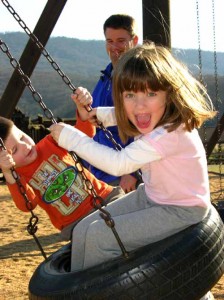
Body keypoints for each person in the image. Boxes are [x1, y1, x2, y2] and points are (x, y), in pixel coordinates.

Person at [50, 42, 216, 275]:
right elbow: (130, 113)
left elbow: (120, 164)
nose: (139, 105)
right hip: (152, 196)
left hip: (182, 209)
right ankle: (73, 289)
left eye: (151, 93)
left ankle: (92, 290)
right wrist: (97, 114)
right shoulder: (155, 118)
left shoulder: (170, 133)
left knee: (100, 236)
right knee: (83, 229)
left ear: (170, 94)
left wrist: (72, 138)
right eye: (129, 94)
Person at [0, 88, 124, 241]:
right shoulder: (20, 177)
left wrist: (81, 109)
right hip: (75, 224)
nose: (25, 146)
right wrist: (8, 173)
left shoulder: (51, 141)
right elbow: (28, 205)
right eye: (15, 150)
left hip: (104, 197)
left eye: (22, 137)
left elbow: (83, 134)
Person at [86, 14, 139, 193]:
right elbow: (94, 124)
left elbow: (143, 124)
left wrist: (132, 171)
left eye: (121, 41)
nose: (114, 47)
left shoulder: (138, 77)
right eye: (110, 41)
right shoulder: (106, 77)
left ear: (135, 40)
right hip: (100, 171)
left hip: (123, 172)